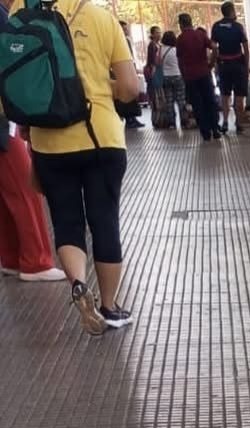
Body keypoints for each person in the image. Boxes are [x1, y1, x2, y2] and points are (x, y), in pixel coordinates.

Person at [29, 0, 140, 334]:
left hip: (48, 141)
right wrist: (105, 91)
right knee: (104, 220)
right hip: (100, 137)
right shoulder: (99, 17)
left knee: (66, 222)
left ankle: (78, 284)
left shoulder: (21, 14)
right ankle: (109, 306)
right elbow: (131, 87)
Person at [0, 119, 65, 283]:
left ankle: (12, 257)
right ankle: (36, 262)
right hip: (4, 122)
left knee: (7, 192)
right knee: (26, 190)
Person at [177, 13, 220, 141]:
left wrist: (184, 75)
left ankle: (205, 133)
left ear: (181, 24)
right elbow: (214, 47)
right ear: (191, 22)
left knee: (198, 104)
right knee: (210, 101)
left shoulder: (180, 39)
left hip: (190, 76)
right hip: (204, 73)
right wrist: (211, 64)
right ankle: (215, 129)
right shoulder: (201, 34)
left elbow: (180, 60)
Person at [210, 2, 250, 134]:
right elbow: (245, 47)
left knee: (224, 95)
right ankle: (238, 122)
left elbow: (214, 48)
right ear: (232, 11)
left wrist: (215, 63)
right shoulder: (238, 27)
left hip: (223, 65)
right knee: (239, 95)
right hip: (238, 65)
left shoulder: (216, 26)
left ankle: (225, 122)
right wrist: (247, 65)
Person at [118, 21, 145, 129]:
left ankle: (133, 118)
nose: (126, 31)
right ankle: (129, 118)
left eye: (126, 29)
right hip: (123, 72)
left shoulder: (127, 41)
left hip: (130, 68)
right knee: (128, 97)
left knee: (133, 97)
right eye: (124, 29)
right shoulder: (119, 41)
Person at [158, 31, 187, 129]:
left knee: (169, 101)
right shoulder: (176, 49)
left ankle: (171, 123)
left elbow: (157, 63)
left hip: (166, 77)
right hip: (178, 76)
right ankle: (184, 121)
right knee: (181, 100)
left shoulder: (160, 50)